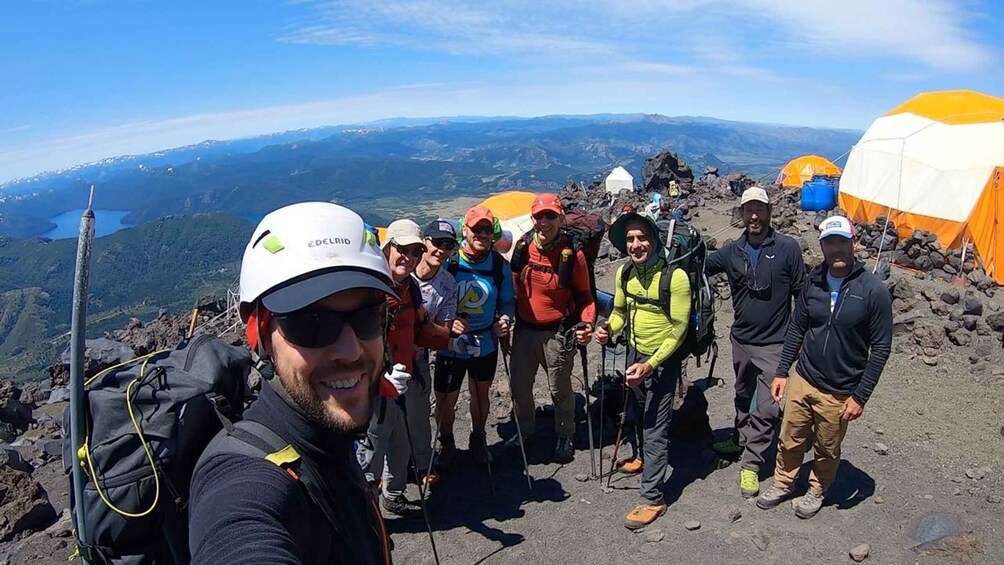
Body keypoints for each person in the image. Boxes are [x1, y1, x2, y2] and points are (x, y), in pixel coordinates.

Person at [189, 201, 393, 564]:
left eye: (365, 318)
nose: (349, 350)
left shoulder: (326, 439)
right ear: (261, 335)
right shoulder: (245, 478)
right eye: (311, 322)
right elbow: (241, 535)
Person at [756, 215, 892, 519]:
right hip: (804, 377)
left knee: (827, 447)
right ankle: (783, 481)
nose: (836, 250)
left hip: (840, 389)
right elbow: (797, 328)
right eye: (830, 243)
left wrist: (860, 396)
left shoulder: (873, 291)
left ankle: (817, 488)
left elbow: (881, 348)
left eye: (842, 242)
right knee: (790, 437)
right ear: (822, 247)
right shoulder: (813, 282)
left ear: (853, 243)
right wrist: (781, 372)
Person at [357, 219, 476, 514]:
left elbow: (421, 331)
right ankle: (366, 511)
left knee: (401, 440)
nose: (407, 258)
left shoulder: (409, 288)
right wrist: (377, 374)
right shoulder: (369, 287)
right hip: (374, 382)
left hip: (406, 373)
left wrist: (452, 342)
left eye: (414, 252)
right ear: (387, 247)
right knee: (373, 443)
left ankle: (394, 494)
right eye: (402, 250)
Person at [705, 186, 806, 498]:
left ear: (769, 213)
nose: (753, 216)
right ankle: (739, 437)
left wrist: (800, 339)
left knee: (768, 407)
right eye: (748, 210)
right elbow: (697, 267)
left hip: (775, 345)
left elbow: (802, 296)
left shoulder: (789, 248)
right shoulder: (731, 252)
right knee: (741, 393)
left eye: (759, 209)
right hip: (742, 340)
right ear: (741, 214)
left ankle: (751, 464)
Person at [595, 211, 690, 530]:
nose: (636, 245)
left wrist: (650, 364)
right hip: (634, 352)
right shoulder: (624, 273)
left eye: (642, 238)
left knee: (655, 426)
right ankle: (645, 461)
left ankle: (653, 498)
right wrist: (608, 328)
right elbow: (620, 312)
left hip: (661, 360)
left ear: (653, 240)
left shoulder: (675, 277)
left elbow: (679, 329)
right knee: (636, 407)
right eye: (630, 239)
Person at [508, 193, 595, 463]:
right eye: (539, 216)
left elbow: (585, 297)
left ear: (560, 218)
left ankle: (565, 433)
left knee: (559, 389)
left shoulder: (573, 253)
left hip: (557, 333)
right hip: (523, 330)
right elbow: (511, 288)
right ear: (532, 218)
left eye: (550, 216)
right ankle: (525, 431)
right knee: (520, 388)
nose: (544, 221)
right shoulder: (523, 248)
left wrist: (587, 324)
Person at [433, 206, 515, 468]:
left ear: (493, 234)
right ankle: (447, 441)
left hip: (485, 341)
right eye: (476, 229)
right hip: (450, 343)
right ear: (464, 231)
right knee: (446, 397)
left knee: (481, 394)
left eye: (487, 230)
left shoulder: (500, 265)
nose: (481, 234)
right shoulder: (450, 261)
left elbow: (507, 303)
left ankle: (478, 439)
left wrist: (504, 320)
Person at [410, 218, 466, 487]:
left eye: (448, 245)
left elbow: (443, 330)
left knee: (420, 413)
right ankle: (384, 475)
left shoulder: (448, 284)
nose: (441, 250)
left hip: (418, 357)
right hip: (383, 356)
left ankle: (422, 464)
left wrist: (423, 323)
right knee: (382, 418)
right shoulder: (400, 270)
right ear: (424, 241)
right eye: (436, 242)